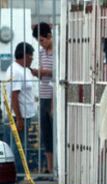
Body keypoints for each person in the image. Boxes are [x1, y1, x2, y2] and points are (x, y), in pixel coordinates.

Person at [6, 42, 37, 175]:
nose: (32, 59)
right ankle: (17, 175)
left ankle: (19, 174)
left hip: (25, 115)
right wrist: (18, 118)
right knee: (17, 147)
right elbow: (14, 96)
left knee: (21, 146)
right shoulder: (16, 71)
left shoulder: (22, 69)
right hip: (19, 116)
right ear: (24, 55)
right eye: (31, 56)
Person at [31, 22, 54, 175]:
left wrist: (43, 72)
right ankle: (49, 167)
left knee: (55, 132)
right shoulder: (40, 53)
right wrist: (37, 72)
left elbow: (58, 72)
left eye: (42, 40)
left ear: (49, 36)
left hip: (54, 97)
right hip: (43, 95)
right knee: (46, 133)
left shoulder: (57, 52)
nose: (41, 44)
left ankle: (58, 166)